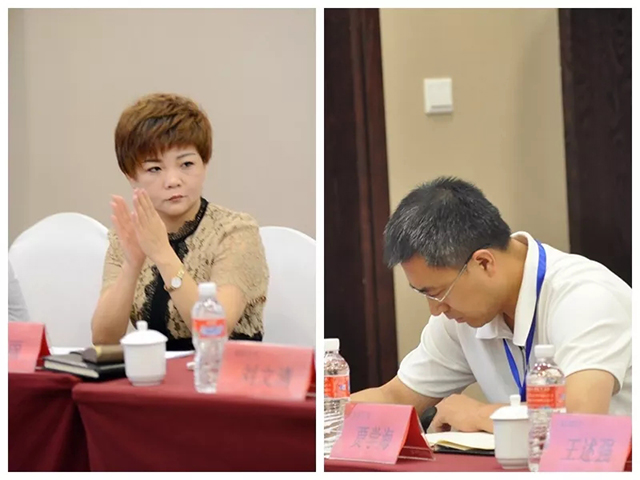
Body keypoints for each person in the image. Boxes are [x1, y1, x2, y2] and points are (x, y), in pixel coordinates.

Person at [352, 177, 631, 432]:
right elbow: (396, 396)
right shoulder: (459, 317)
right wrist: (332, 411)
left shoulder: (586, 296)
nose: (435, 309)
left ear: (484, 263)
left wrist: (479, 414)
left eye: (438, 293)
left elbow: (580, 417)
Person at [91, 93, 269, 350]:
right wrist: (132, 264)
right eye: (155, 169)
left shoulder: (235, 232)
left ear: (205, 164)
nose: (173, 180)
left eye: (186, 164)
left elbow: (214, 329)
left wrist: (162, 253)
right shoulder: (126, 237)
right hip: (155, 370)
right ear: (131, 176)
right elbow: (103, 339)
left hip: (222, 368)